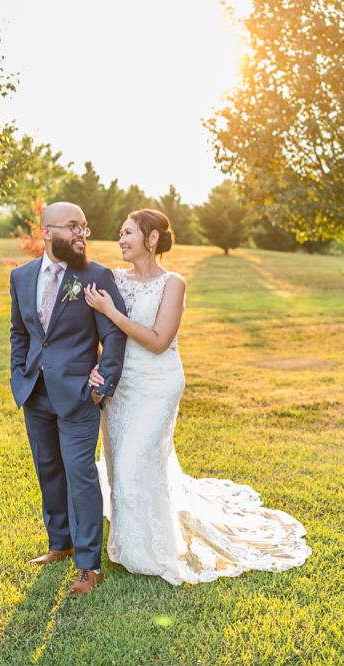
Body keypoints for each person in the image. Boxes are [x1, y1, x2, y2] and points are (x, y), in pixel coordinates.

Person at [83, 210, 311, 585]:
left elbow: (158, 341)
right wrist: (97, 366)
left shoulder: (174, 283)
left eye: (128, 233)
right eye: (119, 233)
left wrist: (110, 311)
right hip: (122, 385)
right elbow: (99, 332)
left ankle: (153, 551)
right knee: (120, 464)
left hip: (159, 383)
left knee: (135, 460)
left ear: (151, 238)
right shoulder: (113, 279)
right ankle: (126, 544)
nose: (120, 240)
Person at [8, 202, 127, 598]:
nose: (81, 234)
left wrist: (101, 384)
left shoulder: (96, 275)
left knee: (80, 475)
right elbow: (19, 332)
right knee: (48, 469)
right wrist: (18, 375)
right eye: (73, 227)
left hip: (79, 395)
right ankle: (60, 543)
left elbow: (113, 336)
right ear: (47, 231)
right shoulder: (21, 277)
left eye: (85, 228)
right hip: (34, 392)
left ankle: (88, 565)